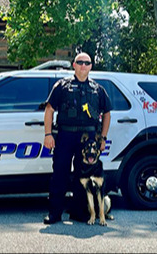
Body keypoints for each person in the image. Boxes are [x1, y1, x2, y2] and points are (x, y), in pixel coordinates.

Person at [42, 52, 112, 224]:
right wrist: (48, 134)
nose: (83, 66)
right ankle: (54, 214)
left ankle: (79, 213)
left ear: (91, 66)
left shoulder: (98, 89)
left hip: (88, 139)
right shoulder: (62, 86)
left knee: (83, 177)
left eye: (86, 63)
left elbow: (107, 113)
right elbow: (49, 110)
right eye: (80, 62)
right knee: (60, 174)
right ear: (74, 65)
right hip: (66, 135)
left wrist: (102, 138)